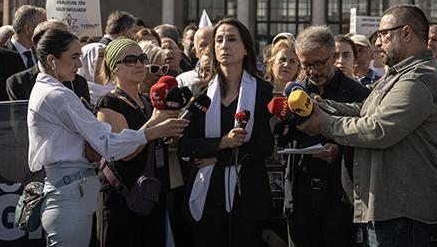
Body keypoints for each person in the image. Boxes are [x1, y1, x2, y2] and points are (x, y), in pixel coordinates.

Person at [297, 5, 437, 246]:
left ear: (406, 33)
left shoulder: (419, 78)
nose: (378, 42)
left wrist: (325, 123)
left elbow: (377, 129)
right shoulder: (398, 74)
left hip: (401, 212)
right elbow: (363, 110)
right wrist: (324, 106)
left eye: (384, 34)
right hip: (386, 210)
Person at [27, 28, 188, 246]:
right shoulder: (57, 95)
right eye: (74, 57)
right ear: (52, 60)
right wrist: (153, 131)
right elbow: (109, 145)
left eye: (142, 58)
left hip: (74, 188)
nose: (79, 64)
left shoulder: (54, 91)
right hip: (73, 190)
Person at [178, 17, 274, 247]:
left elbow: (263, 146)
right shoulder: (200, 92)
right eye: (219, 40)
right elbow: (185, 144)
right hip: (207, 191)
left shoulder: (262, 91)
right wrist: (221, 143)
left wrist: (217, 157)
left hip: (247, 195)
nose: (224, 45)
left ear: (246, 49)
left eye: (232, 39)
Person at [283, 26, 369, 247]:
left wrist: (340, 150)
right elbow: (281, 139)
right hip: (300, 197)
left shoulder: (358, 94)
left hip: (341, 198)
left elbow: (370, 137)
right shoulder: (294, 93)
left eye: (319, 63)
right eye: (306, 65)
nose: (313, 71)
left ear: (333, 56)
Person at [94, 38, 181, 247]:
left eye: (142, 58)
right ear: (114, 67)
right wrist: (155, 125)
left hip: (151, 195)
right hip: (122, 197)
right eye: (131, 60)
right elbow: (124, 152)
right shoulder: (108, 103)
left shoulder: (147, 101)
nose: (140, 64)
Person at [6, 19, 90, 102]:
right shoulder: (18, 82)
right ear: (42, 42)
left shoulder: (79, 82)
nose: (79, 64)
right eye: (60, 38)